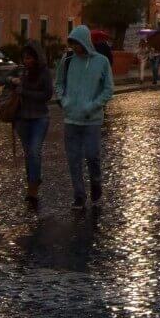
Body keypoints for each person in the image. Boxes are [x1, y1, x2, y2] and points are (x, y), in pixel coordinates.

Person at [55, 26, 115, 209]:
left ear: (84, 42)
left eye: (77, 43)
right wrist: (64, 100)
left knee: (92, 155)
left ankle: (96, 182)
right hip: (71, 118)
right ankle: (79, 195)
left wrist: (94, 105)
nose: (75, 47)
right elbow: (58, 83)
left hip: (92, 119)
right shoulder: (67, 60)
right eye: (72, 43)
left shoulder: (101, 61)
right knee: (73, 159)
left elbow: (108, 89)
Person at [5, 41, 53, 204]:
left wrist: (24, 91)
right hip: (22, 118)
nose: (27, 61)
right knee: (28, 154)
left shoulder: (44, 73)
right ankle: (31, 182)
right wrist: (12, 80)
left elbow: (46, 95)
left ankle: (34, 186)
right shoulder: (21, 71)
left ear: (37, 58)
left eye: (30, 58)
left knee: (34, 151)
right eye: (24, 58)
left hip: (39, 117)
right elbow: (0, 80)